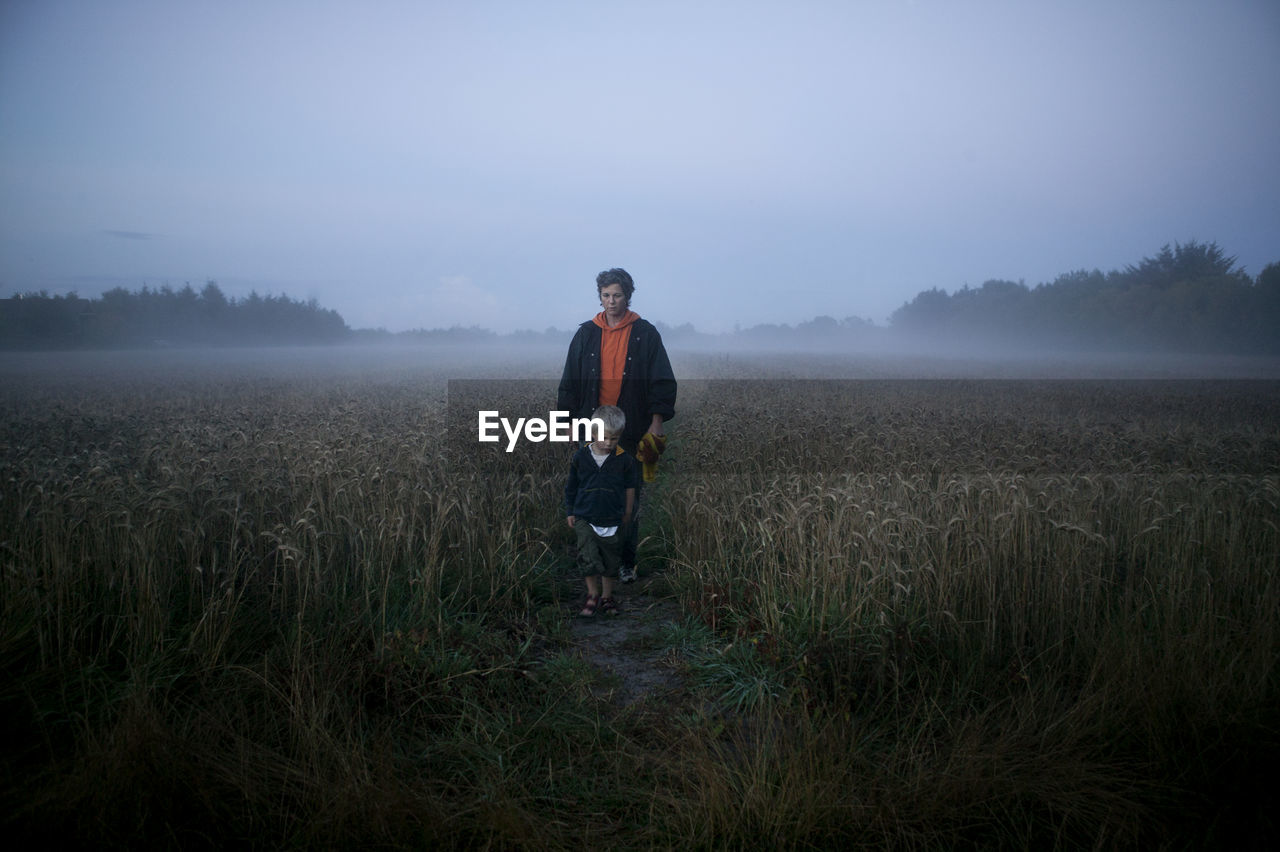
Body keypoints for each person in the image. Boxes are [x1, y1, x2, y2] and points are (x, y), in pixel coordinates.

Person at [557, 268, 676, 582]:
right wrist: (568, 422)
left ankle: (626, 561)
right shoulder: (585, 333)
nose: (611, 301)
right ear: (600, 297)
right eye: (606, 295)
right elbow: (569, 381)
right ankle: (592, 559)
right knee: (590, 495)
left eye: (617, 295)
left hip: (632, 428)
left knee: (628, 497)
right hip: (591, 427)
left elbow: (661, 381)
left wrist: (656, 422)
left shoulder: (645, 333)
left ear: (628, 296)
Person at [564, 405, 639, 616]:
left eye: (614, 439)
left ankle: (607, 596)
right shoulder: (581, 457)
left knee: (610, 560)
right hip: (585, 517)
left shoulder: (624, 460)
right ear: (592, 432)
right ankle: (592, 594)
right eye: (604, 437)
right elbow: (571, 487)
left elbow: (630, 487)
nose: (608, 443)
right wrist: (571, 511)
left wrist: (627, 512)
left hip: (612, 518)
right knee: (587, 556)